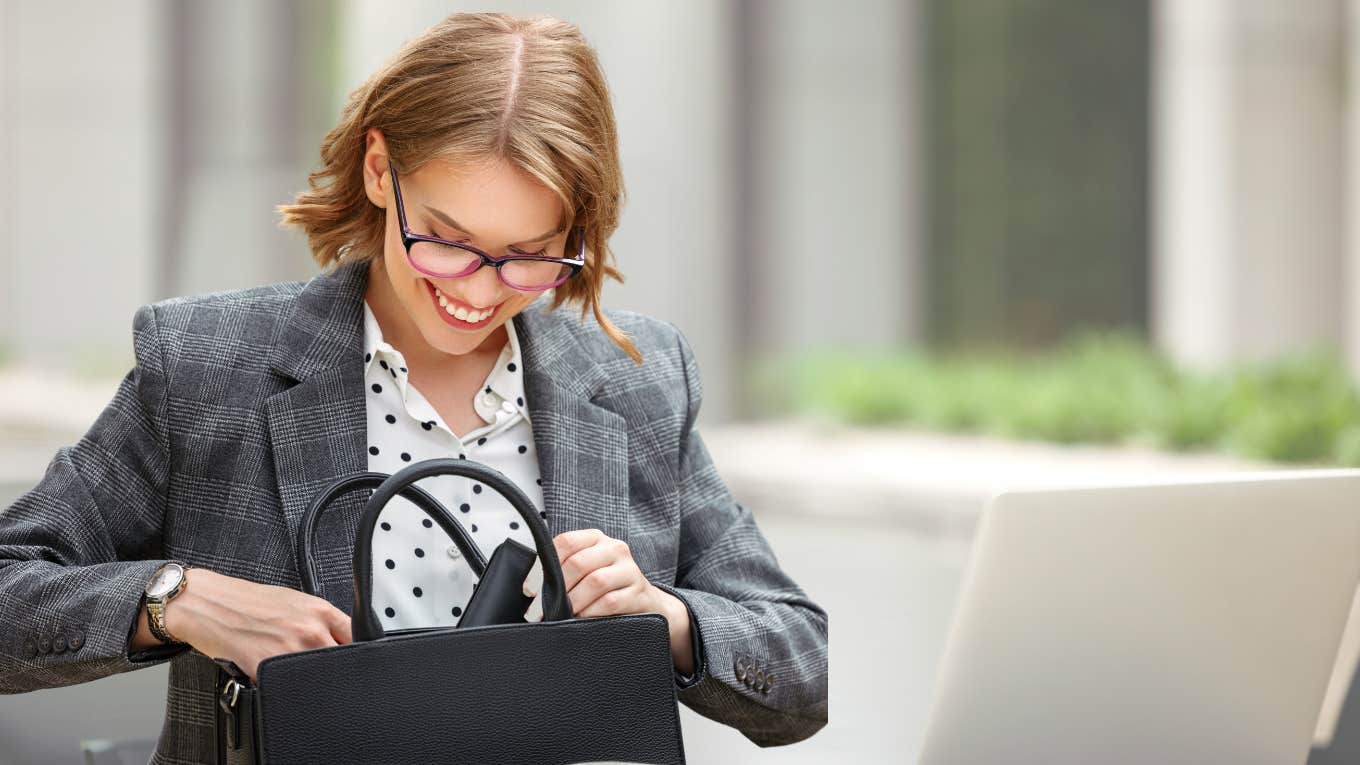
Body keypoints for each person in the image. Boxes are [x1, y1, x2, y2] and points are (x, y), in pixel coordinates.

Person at [0, 11, 828, 761]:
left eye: (529, 253)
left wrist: (669, 621)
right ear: (377, 168)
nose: (477, 289)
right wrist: (177, 598)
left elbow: (800, 671)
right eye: (447, 238)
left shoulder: (638, 380)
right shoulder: (209, 366)